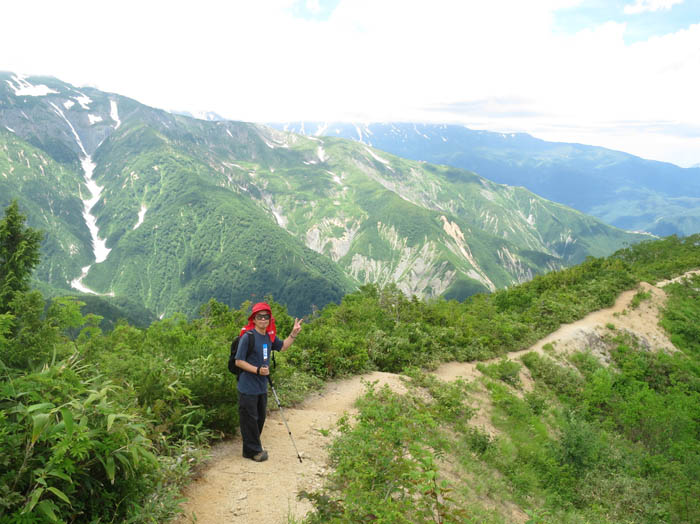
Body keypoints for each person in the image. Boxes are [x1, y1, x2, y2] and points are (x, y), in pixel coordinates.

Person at [235, 302, 303, 462]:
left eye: (266, 317)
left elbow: (283, 347)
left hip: (261, 387)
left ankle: (249, 448)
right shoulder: (247, 337)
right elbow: (238, 361)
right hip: (247, 386)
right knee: (250, 419)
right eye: (260, 317)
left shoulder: (268, 337)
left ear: (269, 319)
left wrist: (293, 334)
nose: (263, 319)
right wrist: (257, 370)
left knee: (259, 418)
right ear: (254, 319)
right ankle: (255, 451)